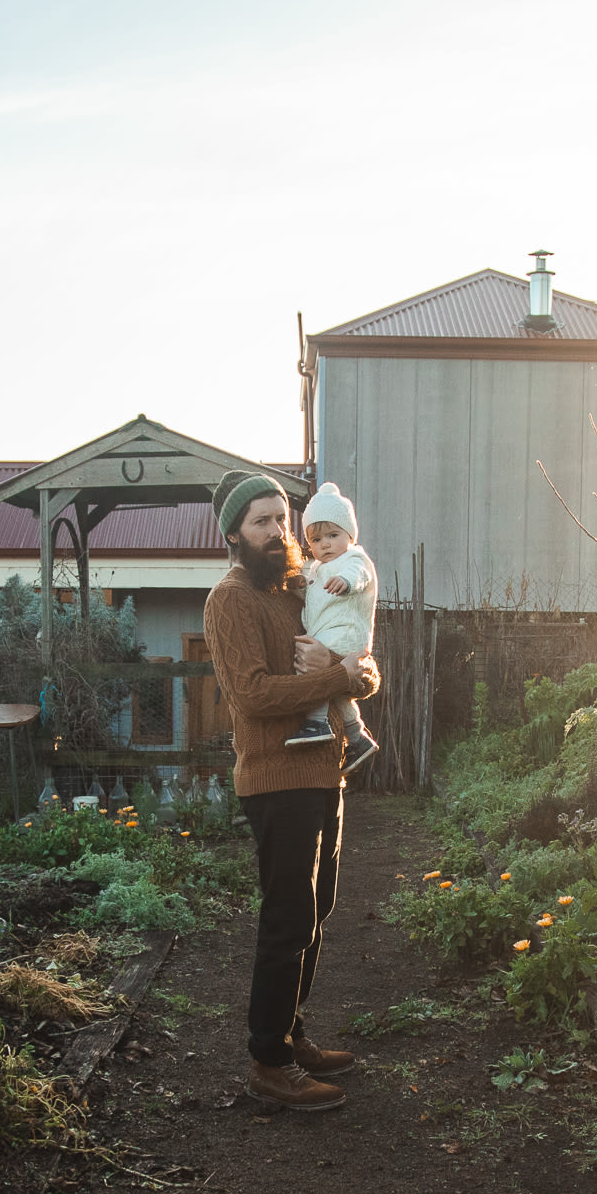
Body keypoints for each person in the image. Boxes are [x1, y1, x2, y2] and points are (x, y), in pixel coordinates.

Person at [204, 470, 381, 1112]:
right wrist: (332, 678)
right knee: (287, 917)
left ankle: (291, 1032)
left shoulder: (298, 588)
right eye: (262, 521)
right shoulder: (230, 601)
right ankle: (269, 1061)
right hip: (276, 778)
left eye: (283, 518)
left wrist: (349, 675)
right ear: (233, 535)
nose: (279, 531)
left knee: (317, 908)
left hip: (325, 772)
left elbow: (363, 665)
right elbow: (251, 695)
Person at [281, 482, 382, 773]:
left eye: (333, 535)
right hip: (331, 633)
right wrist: (299, 588)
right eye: (316, 539)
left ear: (350, 535)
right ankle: (358, 738)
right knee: (338, 692)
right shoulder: (317, 569)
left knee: (311, 665)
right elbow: (315, 599)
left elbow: (360, 575)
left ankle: (316, 722)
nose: (325, 544)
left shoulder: (354, 558)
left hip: (346, 633)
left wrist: (347, 582)